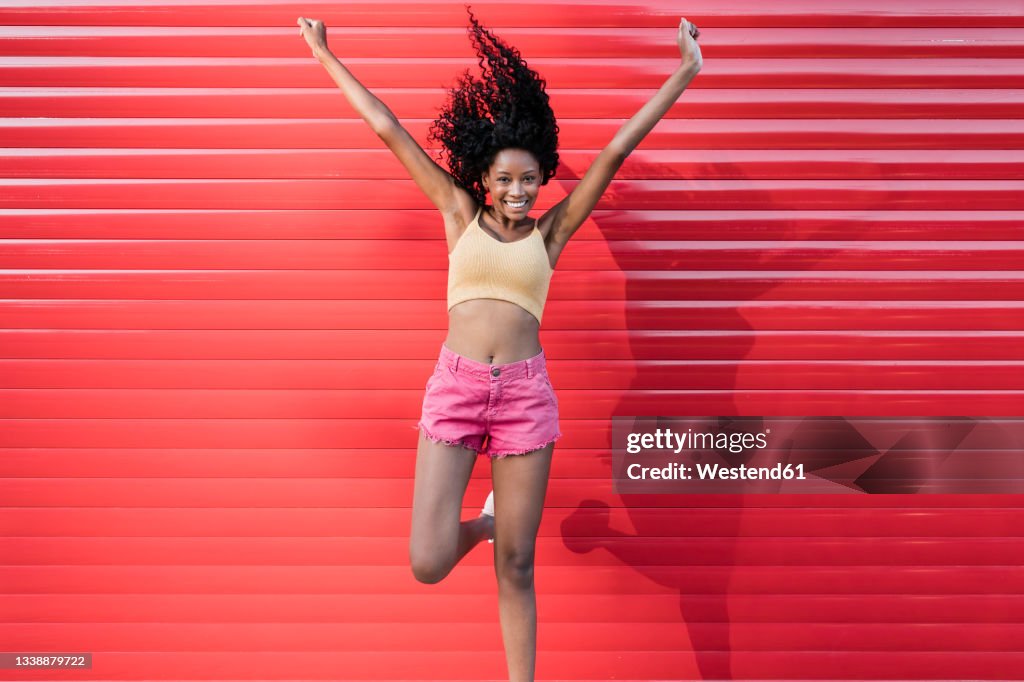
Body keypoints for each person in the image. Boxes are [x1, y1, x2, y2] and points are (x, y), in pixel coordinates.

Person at [297, 9, 702, 681]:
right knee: (427, 562)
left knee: (516, 566)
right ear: (483, 179)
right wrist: (323, 55)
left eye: (530, 179)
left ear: (542, 179)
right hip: (456, 389)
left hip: (523, 398)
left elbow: (613, 154)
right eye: (506, 179)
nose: (519, 191)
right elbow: (386, 127)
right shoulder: (458, 213)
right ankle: (479, 524)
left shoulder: (551, 235)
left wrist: (683, 72)